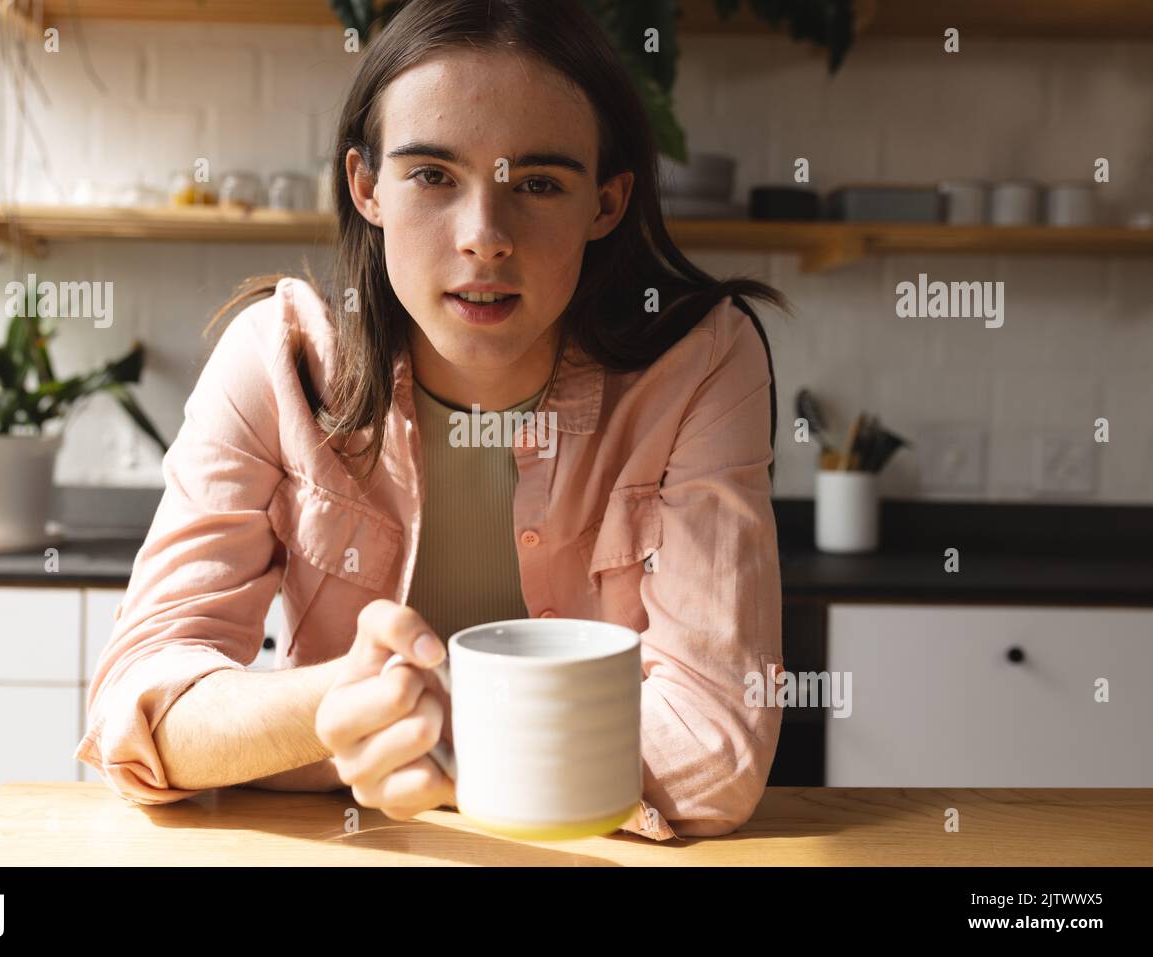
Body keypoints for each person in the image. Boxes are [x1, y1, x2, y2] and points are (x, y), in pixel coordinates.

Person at [75, 0, 788, 841]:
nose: (485, 237)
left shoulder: (701, 361)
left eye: (538, 184)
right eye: (433, 176)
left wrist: (401, 739)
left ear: (606, 202)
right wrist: (339, 700)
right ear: (366, 187)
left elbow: (714, 750)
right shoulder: (277, 359)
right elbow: (140, 710)